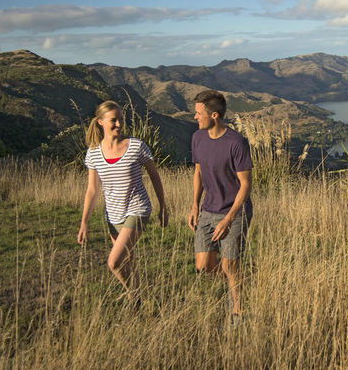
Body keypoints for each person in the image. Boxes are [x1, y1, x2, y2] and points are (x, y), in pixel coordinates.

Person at [77, 100, 167, 302]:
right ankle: (141, 305)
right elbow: (92, 190)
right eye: (113, 120)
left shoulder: (136, 146)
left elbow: (155, 177)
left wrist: (163, 207)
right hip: (113, 214)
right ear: (100, 122)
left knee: (114, 263)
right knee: (127, 261)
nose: (119, 124)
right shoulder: (93, 153)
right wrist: (84, 222)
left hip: (138, 209)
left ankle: (136, 296)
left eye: (121, 119)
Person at [188, 90, 253, 327]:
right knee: (203, 265)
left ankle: (238, 311)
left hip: (234, 211)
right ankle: (235, 283)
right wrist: (195, 205)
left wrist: (229, 219)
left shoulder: (236, 143)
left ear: (214, 115)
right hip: (208, 209)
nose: (195, 118)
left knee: (229, 264)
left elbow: (245, 185)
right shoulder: (198, 138)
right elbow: (198, 173)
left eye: (199, 113)